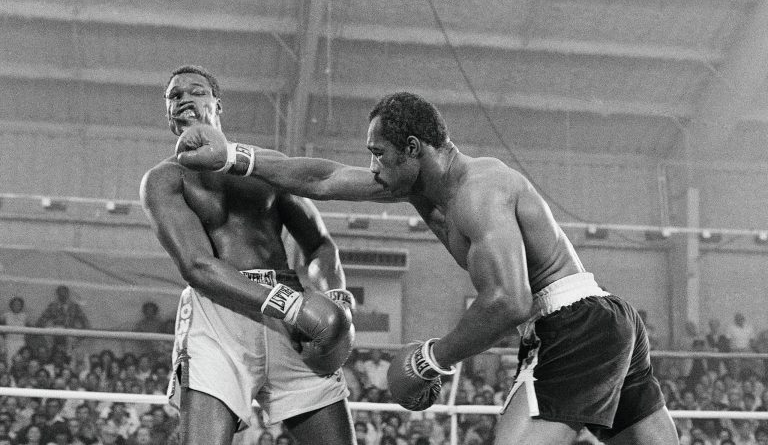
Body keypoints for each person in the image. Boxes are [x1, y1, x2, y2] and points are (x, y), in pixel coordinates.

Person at [175, 91, 679, 444]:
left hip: (571, 325)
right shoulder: (414, 184)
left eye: (380, 154)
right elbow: (321, 178)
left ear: (413, 148)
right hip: (599, 322)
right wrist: (234, 156)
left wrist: (433, 358)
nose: (373, 167)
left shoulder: (479, 190)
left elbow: (509, 300)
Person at [139, 65, 356, 445]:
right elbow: (197, 265)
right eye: (174, 96)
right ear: (169, 115)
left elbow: (319, 245)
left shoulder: (263, 165)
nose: (184, 98)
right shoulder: (164, 179)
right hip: (219, 312)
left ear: (217, 104)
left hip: (292, 319)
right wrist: (290, 305)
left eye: (196, 91)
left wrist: (336, 300)